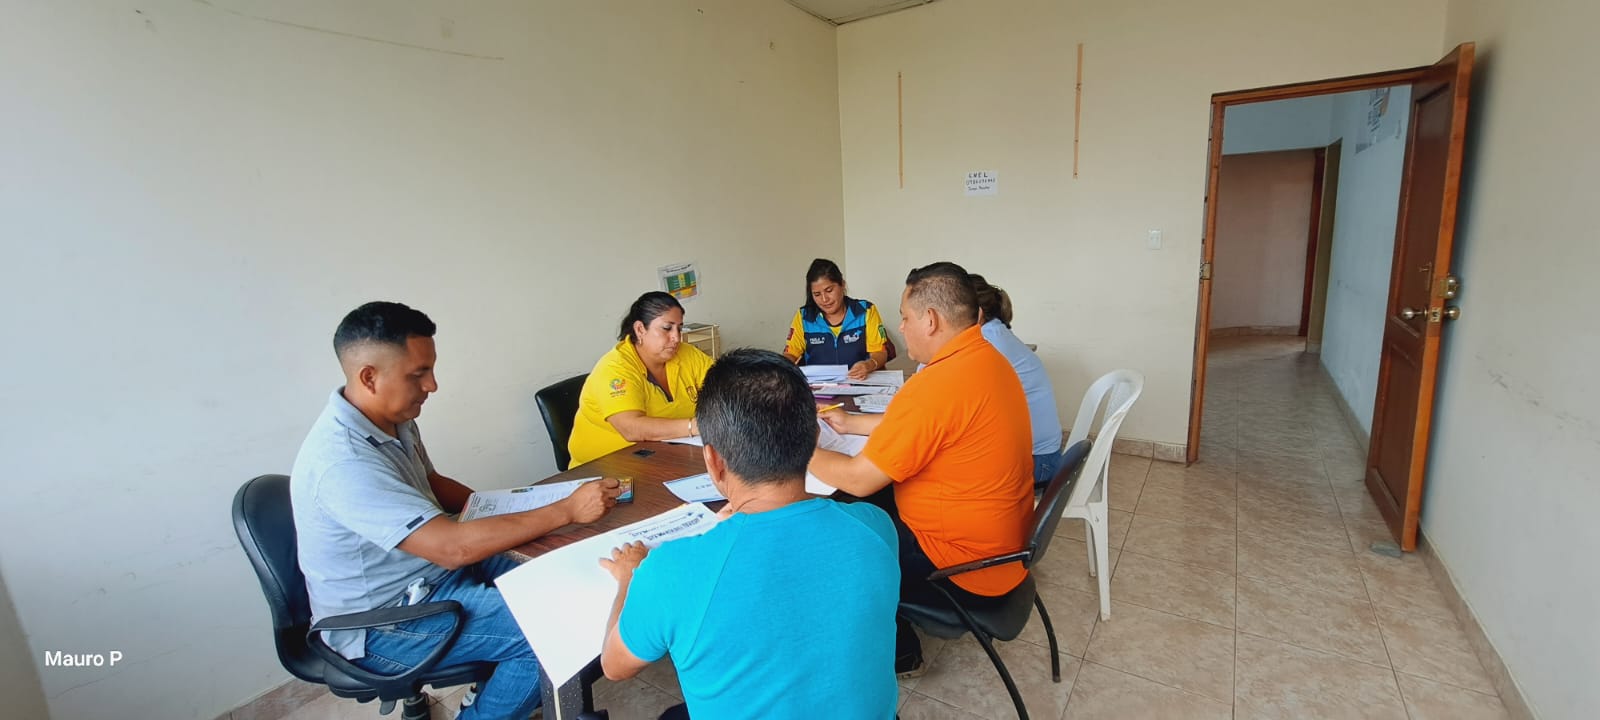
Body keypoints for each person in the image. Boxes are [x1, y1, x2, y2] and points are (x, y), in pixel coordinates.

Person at [290, 301, 622, 720]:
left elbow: (432, 483)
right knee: (555, 627)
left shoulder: (393, 418)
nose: (432, 385)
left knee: (561, 562)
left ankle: (495, 686)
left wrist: (509, 506)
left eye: (431, 369)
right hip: (384, 623)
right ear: (369, 377)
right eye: (418, 374)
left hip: (431, 574)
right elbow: (452, 549)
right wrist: (566, 510)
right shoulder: (343, 462)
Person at [597, 349, 900, 719]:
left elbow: (615, 666)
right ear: (814, 438)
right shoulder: (875, 525)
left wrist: (630, 578)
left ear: (713, 461)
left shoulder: (670, 570)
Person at [808, 262, 1034, 676]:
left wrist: (796, 446)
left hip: (962, 562)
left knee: (838, 536)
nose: (901, 327)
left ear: (930, 320)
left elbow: (857, 479)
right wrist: (853, 423)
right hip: (999, 541)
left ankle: (893, 651)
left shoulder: (937, 384)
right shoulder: (988, 360)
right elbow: (926, 424)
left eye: (905, 317)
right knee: (871, 504)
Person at [569, 291, 715, 466]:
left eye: (679, 328)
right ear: (640, 329)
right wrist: (696, 426)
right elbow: (632, 429)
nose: (676, 337)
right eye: (667, 328)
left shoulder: (687, 354)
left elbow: (724, 386)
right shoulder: (615, 369)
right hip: (605, 468)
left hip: (667, 458)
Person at [970, 274, 1065, 487]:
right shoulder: (994, 332)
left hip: (1037, 462)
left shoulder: (987, 342)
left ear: (977, 313)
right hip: (1043, 455)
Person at [781, 258, 892, 380]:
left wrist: (869, 365)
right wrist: (779, 367)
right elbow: (791, 353)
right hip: (818, 387)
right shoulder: (804, 317)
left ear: (842, 285)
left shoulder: (865, 311)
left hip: (858, 382)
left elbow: (880, 352)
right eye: (817, 294)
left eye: (829, 290)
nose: (824, 299)